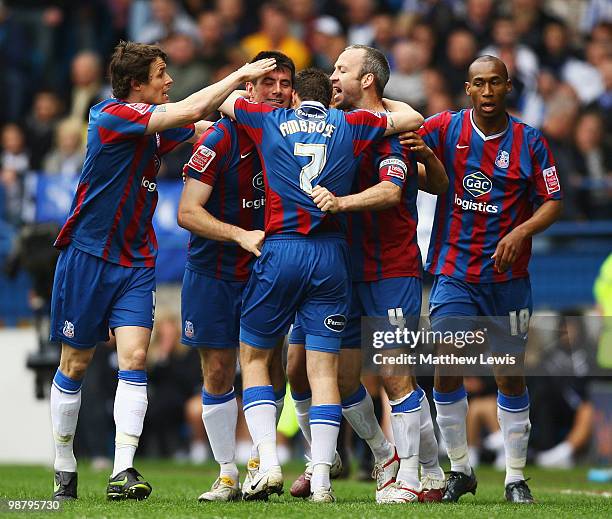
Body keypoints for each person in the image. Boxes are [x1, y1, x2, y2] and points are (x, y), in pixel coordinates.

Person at [48, 40, 276, 501]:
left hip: (135, 260)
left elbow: (202, 122)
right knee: (75, 363)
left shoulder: (154, 125)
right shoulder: (109, 115)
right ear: (137, 84)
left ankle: (123, 470)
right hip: (88, 256)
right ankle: (64, 464)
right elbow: (187, 110)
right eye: (161, 74)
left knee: (134, 359)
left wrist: (254, 108)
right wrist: (237, 74)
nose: (169, 81)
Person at [218, 67, 424, 502]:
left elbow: (222, 102)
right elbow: (409, 118)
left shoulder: (267, 119)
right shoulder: (350, 123)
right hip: (332, 254)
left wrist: (246, 76)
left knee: (254, 356)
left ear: (294, 99)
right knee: (323, 370)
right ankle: (324, 482)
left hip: (282, 248)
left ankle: (268, 463)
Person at [286, 44, 448, 504]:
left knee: (396, 375)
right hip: (342, 267)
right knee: (341, 379)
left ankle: (413, 477)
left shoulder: (391, 134)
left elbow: (392, 191)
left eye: (342, 70)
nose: (332, 77)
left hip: (391, 268)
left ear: (368, 80)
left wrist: (341, 203)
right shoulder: (340, 127)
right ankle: (388, 456)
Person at [410, 55, 563, 504]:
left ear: (508, 87)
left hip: (507, 280)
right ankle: (460, 469)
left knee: (509, 376)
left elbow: (553, 200)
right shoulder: (444, 129)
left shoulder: (531, 143)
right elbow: (403, 132)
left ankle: (515, 476)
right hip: (455, 273)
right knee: (447, 367)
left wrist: (521, 230)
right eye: (480, 84)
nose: (488, 91)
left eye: (496, 82)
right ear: (468, 89)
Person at [177, 50, 295, 502]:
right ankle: (226, 473)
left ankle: (258, 464)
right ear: (249, 88)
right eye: (270, 83)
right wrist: (239, 235)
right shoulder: (221, 139)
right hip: (213, 270)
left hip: (268, 270)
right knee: (219, 371)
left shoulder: (292, 137)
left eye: (285, 83)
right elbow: (187, 212)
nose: (279, 91)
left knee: (270, 368)